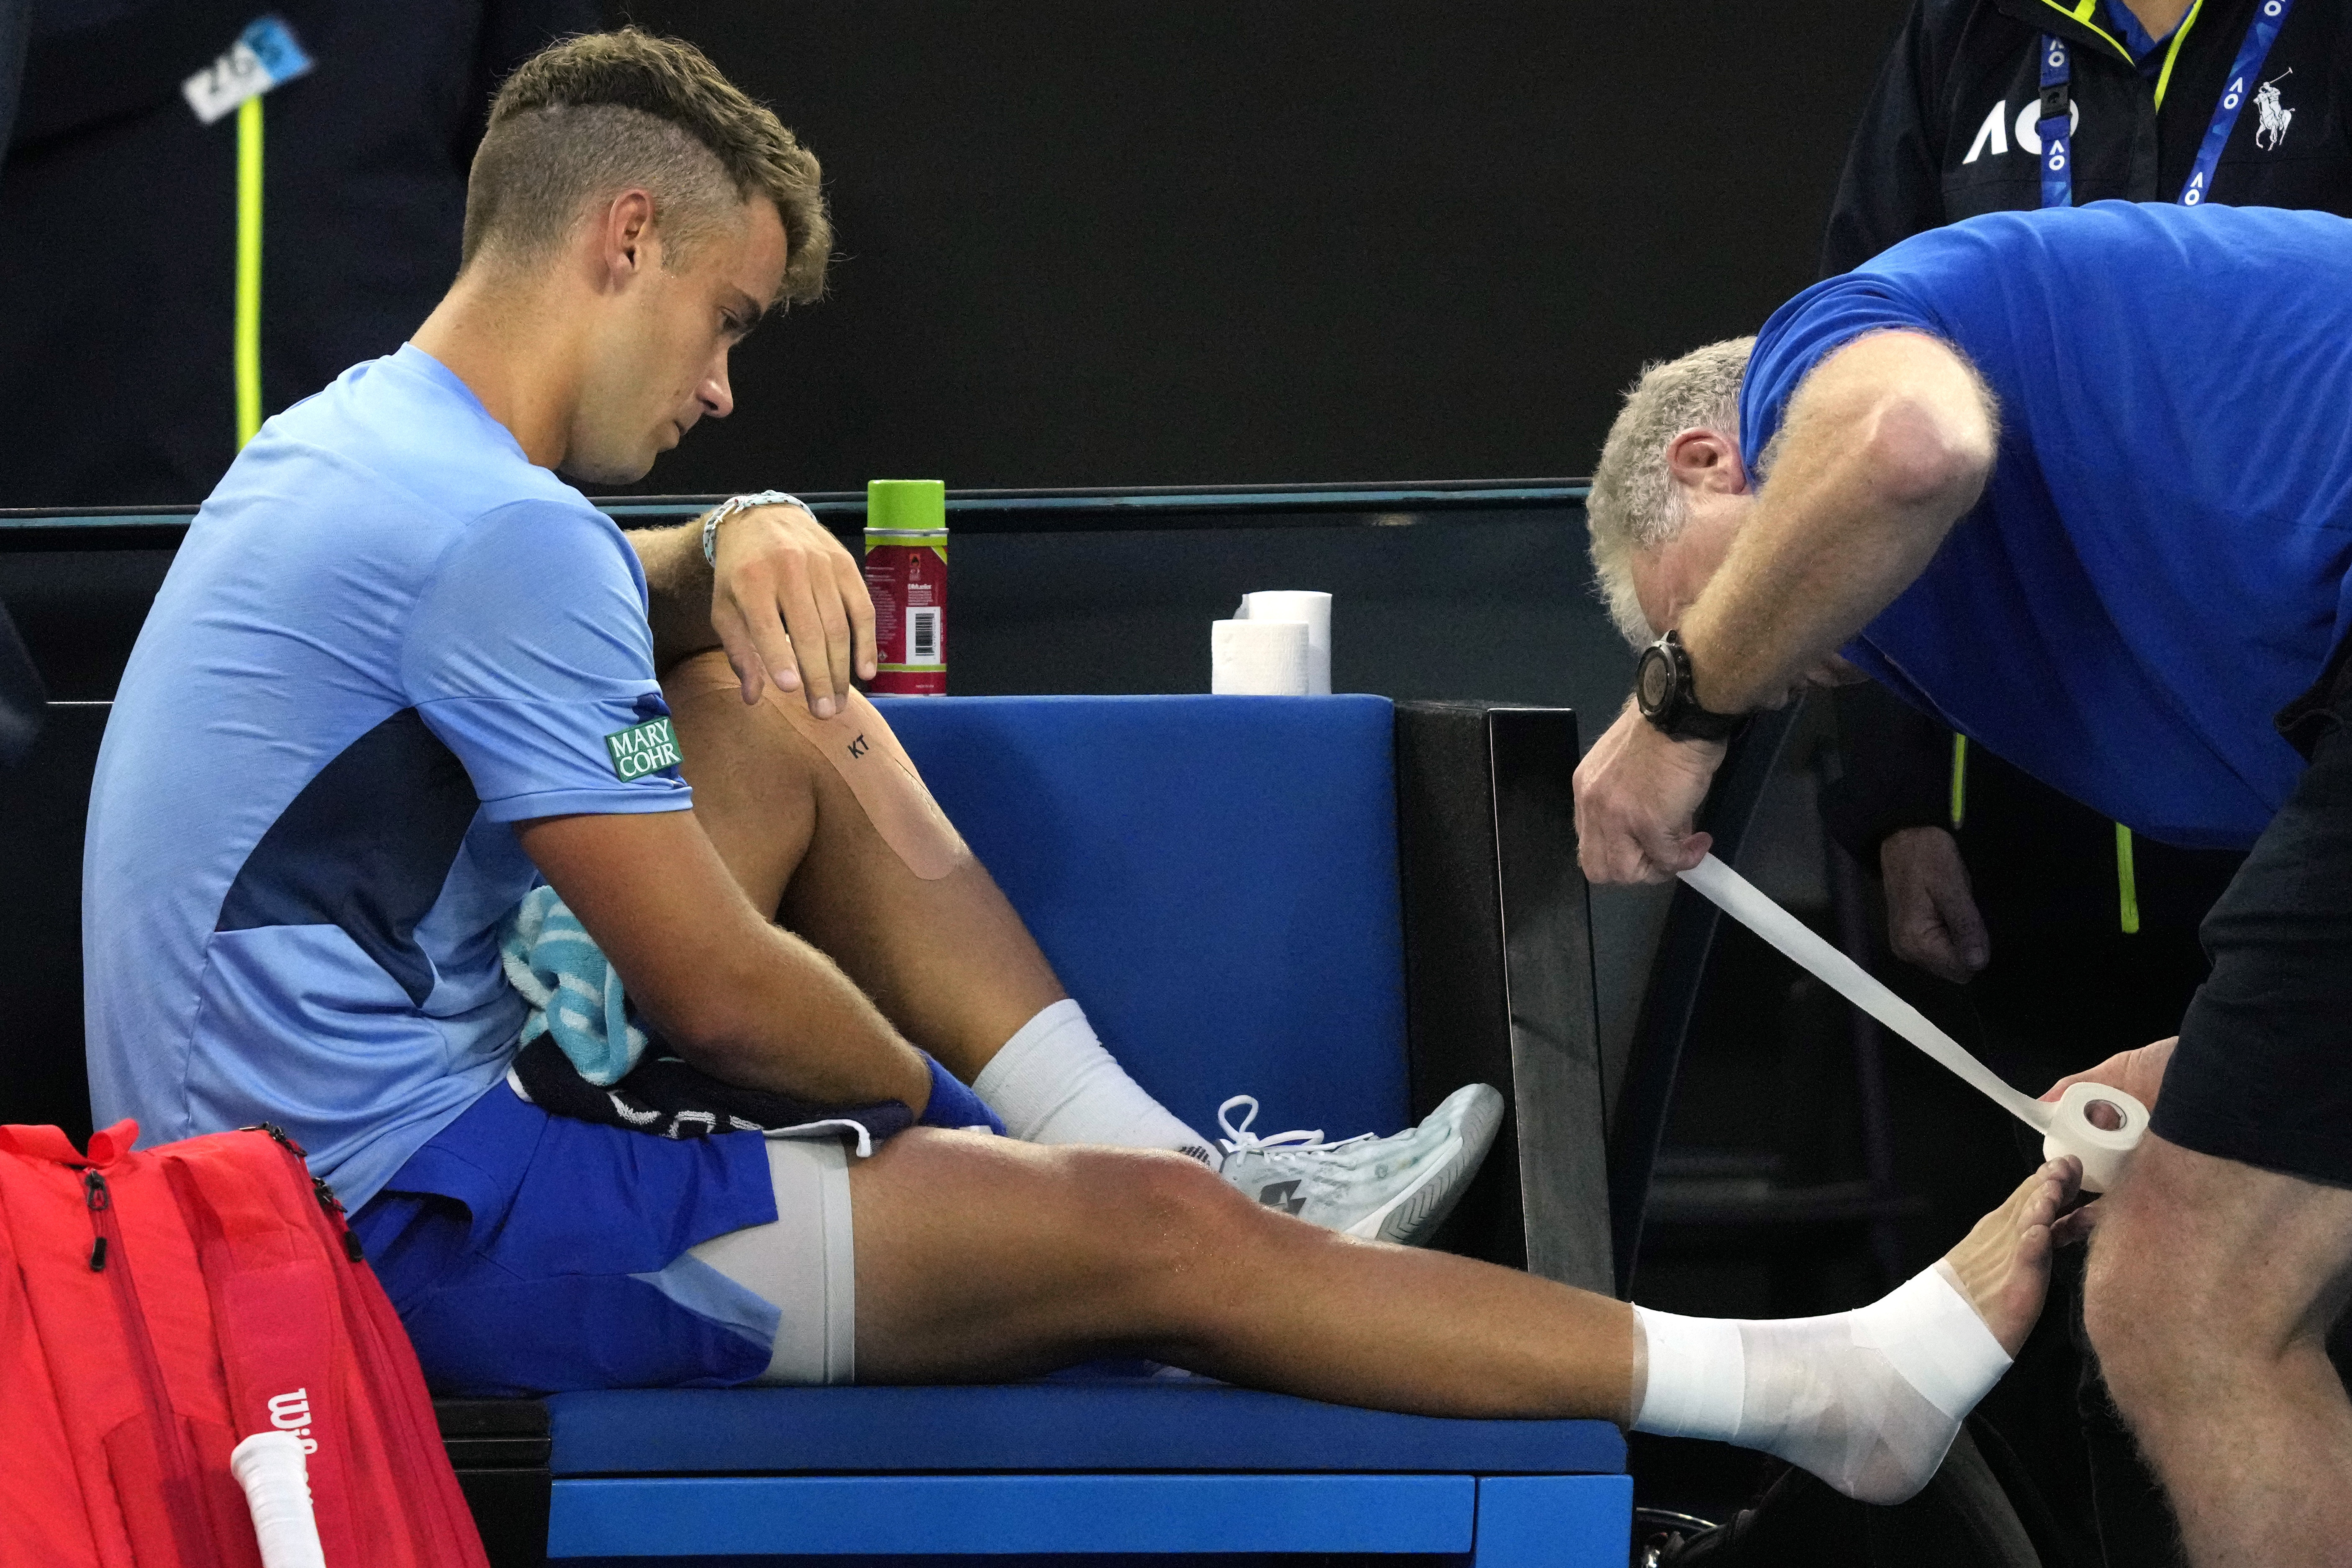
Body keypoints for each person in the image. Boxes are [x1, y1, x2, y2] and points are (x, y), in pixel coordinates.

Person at [79, 28, 2078, 1508]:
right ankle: (1805, 1383)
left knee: (791, 700)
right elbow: (716, 999)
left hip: (281, 1171)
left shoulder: (359, 438)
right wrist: (957, 1143)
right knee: (1168, 1255)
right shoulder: (498, 537)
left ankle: (1134, 1148)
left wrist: (747, 525)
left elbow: (584, 597)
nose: (717, 389)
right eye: (725, 323)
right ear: (622, 237)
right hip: (390, 1235)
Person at [1575, 198, 2352, 1565]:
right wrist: (2203, 1061)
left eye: (1693, 602)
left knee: (2187, 1299)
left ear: (1716, 456)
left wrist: (1676, 707)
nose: (1800, 675)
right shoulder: (2149, 642)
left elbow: (1902, 443)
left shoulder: (1830, 352)